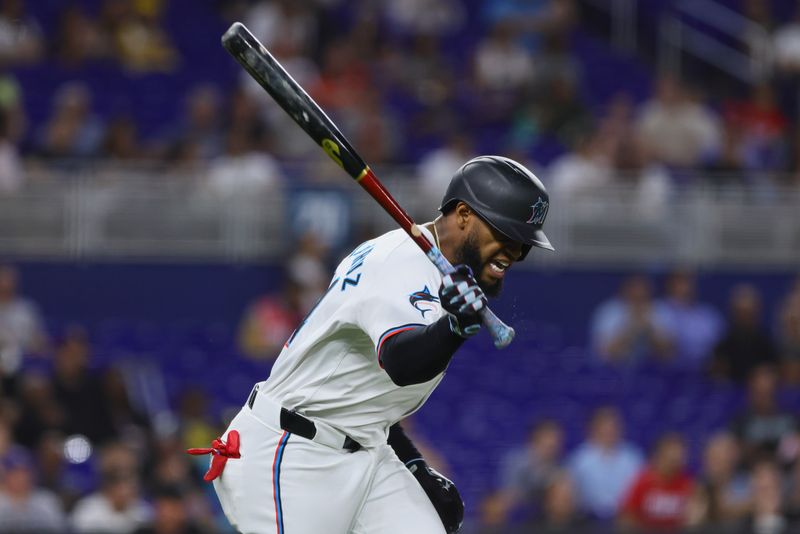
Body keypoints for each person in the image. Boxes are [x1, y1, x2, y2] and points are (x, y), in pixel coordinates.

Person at [194, 156, 554, 533]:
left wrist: (414, 464)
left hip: (363, 449)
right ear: (463, 214)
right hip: (291, 453)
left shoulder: (433, 268)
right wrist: (455, 326)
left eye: (524, 244)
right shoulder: (397, 262)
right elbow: (400, 364)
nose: (515, 253)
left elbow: (372, 402)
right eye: (506, 235)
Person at [567, 407, 643, 520]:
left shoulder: (633, 458)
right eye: (604, 427)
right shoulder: (579, 460)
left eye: (613, 426)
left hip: (625, 519)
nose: (609, 431)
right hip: (587, 519)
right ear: (593, 429)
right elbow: (572, 495)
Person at [619, 433, 695, 532]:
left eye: (679, 457)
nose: (675, 461)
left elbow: (693, 520)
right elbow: (627, 516)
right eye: (671, 457)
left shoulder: (687, 484)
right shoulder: (642, 482)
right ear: (659, 456)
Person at [590, 275, 672, 364]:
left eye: (642, 296)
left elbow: (669, 354)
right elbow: (604, 353)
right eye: (634, 296)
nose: (638, 301)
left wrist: (650, 329)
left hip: (652, 370)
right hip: (613, 370)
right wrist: (631, 327)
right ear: (625, 292)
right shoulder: (610, 310)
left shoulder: (658, 310)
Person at [730, 365, 800, 468]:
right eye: (759, 392)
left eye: (768, 392)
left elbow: (793, 449)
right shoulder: (741, 421)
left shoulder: (789, 419)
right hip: (747, 477)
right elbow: (735, 451)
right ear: (751, 392)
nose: (763, 398)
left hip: (785, 475)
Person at [653, 270, 723, 370]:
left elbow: (720, 347)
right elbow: (663, 346)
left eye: (686, 282)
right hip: (669, 368)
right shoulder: (659, 310)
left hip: (705, 368)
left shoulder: (708, 314)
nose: (683, 287)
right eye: (678, 282)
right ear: (669, 285)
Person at [711, 284, 778, 382]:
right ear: (734, 313)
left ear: (756, 312)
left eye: (748, 313)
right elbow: (715, 373)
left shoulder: (766, 342)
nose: (745, 317)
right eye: (741, 312)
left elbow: (773, 369)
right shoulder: (725, 342)